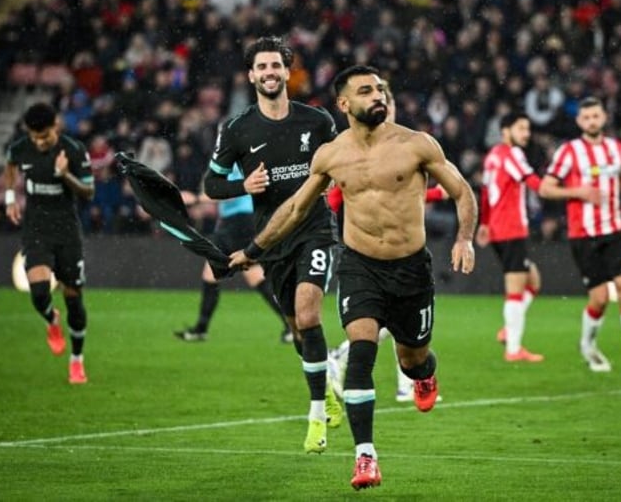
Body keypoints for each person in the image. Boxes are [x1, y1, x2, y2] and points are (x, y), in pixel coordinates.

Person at [229, 65, 477, 490]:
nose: (377, 95)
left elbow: (462, 191)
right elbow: (294, 209)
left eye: (381, 88)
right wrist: (254, 250)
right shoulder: (331, 154)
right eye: (366, 90)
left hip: (411, 269)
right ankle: (366, 457)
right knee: (360, 355)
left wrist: (465, 239)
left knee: (412, 359)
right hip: (360, 267)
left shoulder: (416, 144)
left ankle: (425, 375)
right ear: (344, 104)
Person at [202, 36, 342, 454]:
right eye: (261, 67)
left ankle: (316, 414)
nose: (269, 73)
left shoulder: (317, 122)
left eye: (275, 66)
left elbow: (338, 166)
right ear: (251, 75)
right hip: (271, 239)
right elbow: (211, 185)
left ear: (287, 71)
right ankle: (327, 388)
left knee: (307, 312)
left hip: (315, 229)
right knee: (299, 330)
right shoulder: (237, 128)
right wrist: (241, 185)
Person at [326, 78, 448, 402]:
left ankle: (415, 377)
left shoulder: (411, 147)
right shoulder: (351, 153)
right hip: (363, 255)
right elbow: (340, 196)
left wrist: (435, 193)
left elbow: (403, 194)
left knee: (410, 349)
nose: (384, 108)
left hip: (407, 258)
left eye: (386, 101)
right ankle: (347, 361)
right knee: (370, 326)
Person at [539, 97, 621, 376]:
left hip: (614, 231)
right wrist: (577, 192)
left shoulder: (615, 148)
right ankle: (587, 345)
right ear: (579, 121)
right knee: (599, 298)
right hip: (582, 235)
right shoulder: (569, 152)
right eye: (586, 117)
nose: (592, 121)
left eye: (596, 116)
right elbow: (546, 189)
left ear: (604, 118)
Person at [3, 101, 95, 384]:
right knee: (39, 292)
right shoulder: (21, 148)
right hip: (36, 231)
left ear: (56, 125)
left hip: (67, 234)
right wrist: (10, 199)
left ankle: (76, 362)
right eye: (35, 137)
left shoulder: (75, 151)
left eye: (45, 137)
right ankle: (51, 321)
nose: (41, 142)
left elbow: (88, 192)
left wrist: (64, 174)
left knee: (74, 300)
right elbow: (10, 165)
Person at [174, 163, 292, 344]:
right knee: (252, 274)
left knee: (216, 271)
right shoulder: (240, 159)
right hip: (244, 221)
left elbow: (225, 192)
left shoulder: (230, 161)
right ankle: (290, 324)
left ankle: (201, 329)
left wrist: (196, 198)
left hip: (237, 223)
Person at [477, 112, 544, 363]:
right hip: (511, 228)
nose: (526, 133)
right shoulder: (512, 154)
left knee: (534, 280)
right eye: (521, 128)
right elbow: (532, 181)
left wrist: (484, 223)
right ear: (506, 131)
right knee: (516, 289)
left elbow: (485, 192)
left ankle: (509, 329)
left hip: (497, 229)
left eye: (528, 128)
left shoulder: (493, 155)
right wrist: (557, 190)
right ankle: (513, 349)